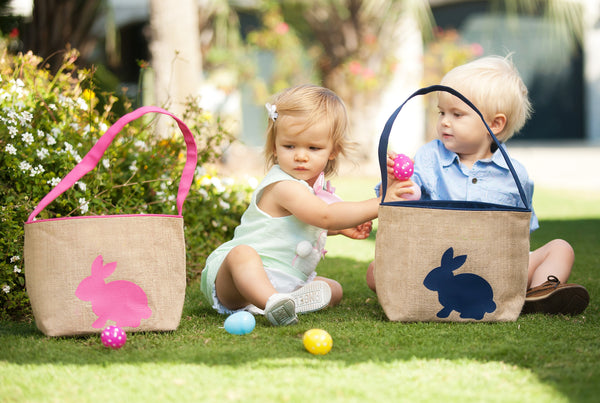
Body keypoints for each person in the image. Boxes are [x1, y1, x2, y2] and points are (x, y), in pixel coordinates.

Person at [366, 55, 589, 316]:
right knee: (375, 272)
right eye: (442, 112)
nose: (445, 121)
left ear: (494, 124)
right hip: (435, 263)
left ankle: (538, 293)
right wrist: (399, 185)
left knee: (561, 248)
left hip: (498, 269)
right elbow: (411, 194)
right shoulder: (430, 157)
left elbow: (520, 232)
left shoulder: (514, 174)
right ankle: (512, 296)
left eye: (457, 114)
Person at [200, 84, 413, 326]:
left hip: (285, 277)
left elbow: (307, 223)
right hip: (235, 281)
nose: (301, 156)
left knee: (333, 290)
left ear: (333, 151)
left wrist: (340, 229)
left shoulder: (309, 188)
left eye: (313, 148)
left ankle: (284, 300)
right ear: (273, 146)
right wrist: (380, 203)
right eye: (289, 146)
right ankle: (271, 303)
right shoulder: (283, 186)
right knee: (242, 254)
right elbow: (324, 216)